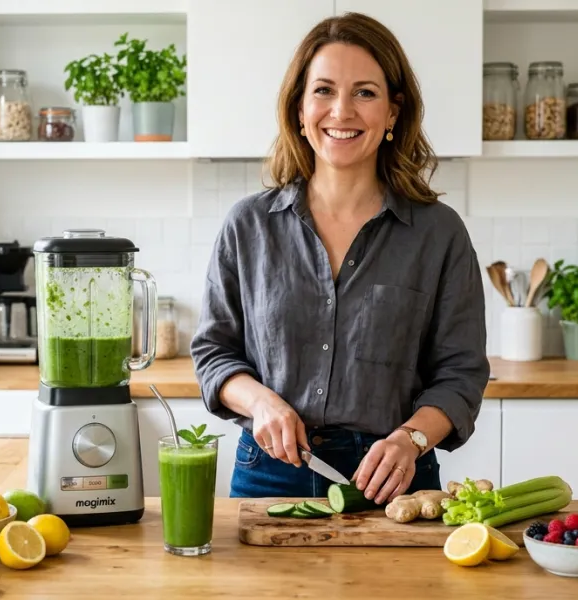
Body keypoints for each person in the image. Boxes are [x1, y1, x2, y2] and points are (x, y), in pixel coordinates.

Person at [190, 12, 489, 505]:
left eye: (365, 93)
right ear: (300, 109)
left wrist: (410, 439)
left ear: (392, 112)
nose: (342, 111)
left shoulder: (439, 233)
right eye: (324, 90)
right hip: (269, 473)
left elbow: (461, 374)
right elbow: (213, 353)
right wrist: (261, 403)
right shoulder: (248, 225)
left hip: (394, 481)